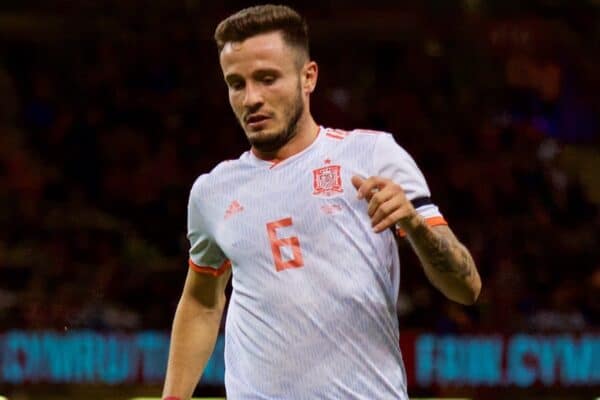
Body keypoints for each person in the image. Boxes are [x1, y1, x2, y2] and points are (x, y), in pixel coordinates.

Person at [162, 4, 481, 400]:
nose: (251, 99)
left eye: (267, 79)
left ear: (308, 77)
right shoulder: (213, 191)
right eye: (236, 83)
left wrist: (415, 226)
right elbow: (201, 302)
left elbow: (467, 288)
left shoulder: (373, 155)